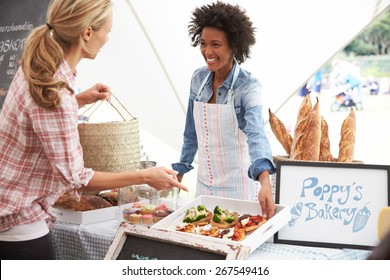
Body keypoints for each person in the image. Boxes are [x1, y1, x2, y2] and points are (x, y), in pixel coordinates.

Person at [0, 0, 187, 260]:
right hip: (19, 230)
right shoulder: (55, 94)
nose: (108, 38)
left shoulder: (38, 69)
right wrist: (145, 176)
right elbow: (78, 179)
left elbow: (35, 118)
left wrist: (79, 100)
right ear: (87, 32)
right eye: (107, 31)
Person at [172, 1, 276, 219]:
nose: (207, 51)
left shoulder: (248, 87)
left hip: (239, 191)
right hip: (203, 189)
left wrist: (265, 181)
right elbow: (191, 133)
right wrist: (180, 170)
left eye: (216, 45)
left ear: (234, 46)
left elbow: (257, 134)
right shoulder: (198, 78)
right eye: (203, 43)